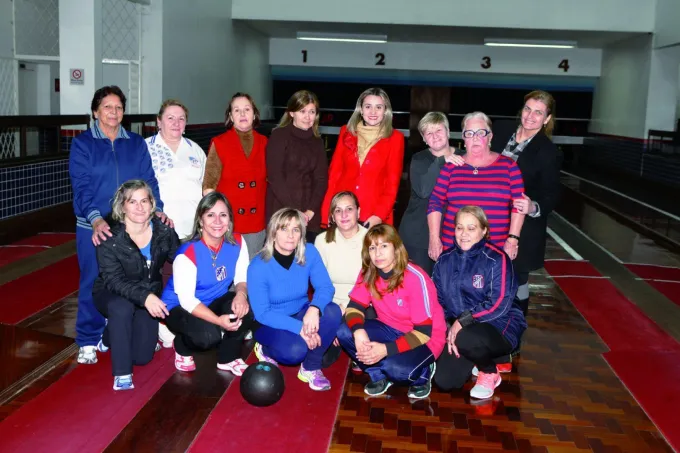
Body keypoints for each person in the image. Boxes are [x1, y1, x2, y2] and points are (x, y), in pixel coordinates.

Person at [69, 85, 171, 366]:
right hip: (95, 226)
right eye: (107, 107)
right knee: (93, 281)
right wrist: (95, 218)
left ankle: (112, 333)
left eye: (118, 108)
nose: (113, 113)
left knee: (133, 280)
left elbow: (149, 181)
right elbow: (82, 187)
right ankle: (88, 340)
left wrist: (156, 210)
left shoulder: (135, 143)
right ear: (95, 111)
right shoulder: (82, 144)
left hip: (132, 226)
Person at [336, 225, 447, 399]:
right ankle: (378, 375)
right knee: (344, 330)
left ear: (396, 248)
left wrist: (385, 349)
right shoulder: (369, 272)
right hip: (389, 328)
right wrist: (359, 332)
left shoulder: (415, 278)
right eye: (372, 247)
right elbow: (354, 307)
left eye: (383, 246)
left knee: (396, 370)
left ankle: (424, 373)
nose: (377, 253)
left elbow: (423, 332)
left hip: (425, 337)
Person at [93, 180, 180, 391]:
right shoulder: (109, 238)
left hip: (147, 294)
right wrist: (146, 298)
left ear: (152, 204)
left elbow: (181, 258)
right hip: (112, 292)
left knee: (142, 357)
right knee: (121, 308)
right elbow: (113, 281)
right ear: (122, 206)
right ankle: (122, 374)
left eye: (144, 201)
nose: (140, 207)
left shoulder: (163, 231)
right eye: (132, 202)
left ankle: (109, 334)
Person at [432, 206, 527, 399]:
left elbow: (499, 303)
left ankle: (490, 371)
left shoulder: (497, 258)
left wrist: (461, 322)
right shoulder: (444, 260)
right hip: (462, 330)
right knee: (445, 381)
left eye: (471, 228)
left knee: (465, 338)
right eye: (459, 228)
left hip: (500, 326)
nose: (464, 234)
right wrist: (447, 329)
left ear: (484, 231)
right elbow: (438, 301)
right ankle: (479, 355)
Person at [247, 208, 341, 391]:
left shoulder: (310, 252)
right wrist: (301, 330)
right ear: (273, 232)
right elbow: (263, 313)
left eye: (296, 229)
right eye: (284, 229)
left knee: (332, 310)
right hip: (269, 322)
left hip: (301, 312)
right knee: (295, 352)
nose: (290, 235)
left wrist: (314, 309)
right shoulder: (258, 266)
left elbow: (325, 287)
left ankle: (311, 368)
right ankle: (265, 349)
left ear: (301, 234)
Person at [161, 192, 254, 375]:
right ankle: (181, 346)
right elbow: (187, 300)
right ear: (200, 221)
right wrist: (218, 321)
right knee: (208, 337)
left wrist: (241, 295)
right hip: (179, 307)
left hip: (213, 300)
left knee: (246, 308)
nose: (217, 221)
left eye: (223, 215)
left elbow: (242, 277)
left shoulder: (238, 242)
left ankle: (228, 358)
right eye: (210, 215)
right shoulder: (187, 253)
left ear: (229, 220)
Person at [491, 90, 563, 316]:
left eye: (538, 112)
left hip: (522, 228)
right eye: (528, 109)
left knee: (517, 279)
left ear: (547, 119)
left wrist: (533, 207)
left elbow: (551, 194)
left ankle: (515, 334)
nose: (531, 116)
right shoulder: (500, 130)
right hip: (489, 218)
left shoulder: (549, 151)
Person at [427, 111, 525, 263]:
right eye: (470, 133)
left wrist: (513, 240)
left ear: (490, 136)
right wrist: (434, 239)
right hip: (453, 249)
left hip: (494, 251)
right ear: (464, 138)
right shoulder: (451, 167)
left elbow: (519, 205)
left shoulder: (509, 166)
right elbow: (435, 202)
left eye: (481, 132)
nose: (475, 138)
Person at [321, 88, 404, 229]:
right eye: (368, 106)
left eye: (378, 107)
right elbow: (334, 176)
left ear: (386, 111)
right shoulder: (345, 132)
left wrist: (378, 216)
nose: (373, 112)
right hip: (342, 214)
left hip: (373, 217)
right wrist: (327, 211)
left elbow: (392, 185)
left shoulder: (396, 139)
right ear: (360, 109)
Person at [203, 92, 267, 259]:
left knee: (252, 273)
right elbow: (209, 186)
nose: (243, 114)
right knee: (229, 273)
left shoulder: (266, 143)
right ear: (231, 116)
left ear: (254, 114)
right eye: (237, 110)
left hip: (256, 224)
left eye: (247, 109)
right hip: (229, 224)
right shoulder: (220, 142)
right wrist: (216, 220)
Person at [399, 112, 464, 275]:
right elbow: (423, 191)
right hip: (418, 235)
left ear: (448, 132)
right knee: (420, 286)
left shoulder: (465, 157)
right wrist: (442, 160)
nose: (434, 136)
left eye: (439, 131)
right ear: (423, 138)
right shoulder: (419, 159)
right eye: (429, 133)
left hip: (454, 234)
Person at [266, 90, 328, 243]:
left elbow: (321, 179)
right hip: (281, 210)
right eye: (302, 111)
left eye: (312, 112)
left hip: (309, 216)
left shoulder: (317, 141)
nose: (308, 117)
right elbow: (275, 177)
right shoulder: (279, 135)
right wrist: (295, 211)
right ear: (291, 113)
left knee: (305, 262)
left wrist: (310, 211)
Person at [145, 99, 206, 239]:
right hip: (159, 229)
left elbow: (206, 188)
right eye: (170, 118)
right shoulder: (145, 147)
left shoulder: (195, 149)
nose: (176, 123)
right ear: (159, 122)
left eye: (181, 119)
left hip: (193, 230)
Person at [314, 191, 368, 312]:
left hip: (363, 304)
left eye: (349, 209)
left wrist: (345, 306)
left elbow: (374, 284)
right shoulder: (322, 241)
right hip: (329, 304)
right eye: (338, 210)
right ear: (333, 217)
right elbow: (319, 284)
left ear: (358, 212)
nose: (344, 215)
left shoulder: (371, 240)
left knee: (345, 330)